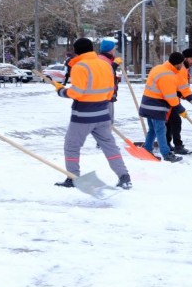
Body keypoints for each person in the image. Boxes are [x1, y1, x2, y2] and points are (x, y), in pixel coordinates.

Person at [52, 38, 132, 190]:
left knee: (71, 145)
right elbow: (111, 90)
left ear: (76, 51)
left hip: (83, 115)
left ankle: (72, 177)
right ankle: (124, 176)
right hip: (103, 113)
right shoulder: (105, 65)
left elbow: (77, 92)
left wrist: (61, 91)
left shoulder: (80, 66)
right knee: (110, 147)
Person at [138, 52, 188, 163]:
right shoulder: (167, 75)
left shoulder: (158, 68)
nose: (182, 66)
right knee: (161, 130)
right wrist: (181, 110)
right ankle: (166, 154)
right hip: (156, 107)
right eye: (182, 63)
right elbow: (171, 97)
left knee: (153, 130)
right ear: (178, 64)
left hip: (147, 104)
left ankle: (147, 148)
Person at [166, 48, 192, 155]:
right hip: (170, 98)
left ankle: (167, 143)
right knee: (175, 121)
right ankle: (177, 146)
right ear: (185, 58)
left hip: (172, 98)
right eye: (191, 58)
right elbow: (184, 89)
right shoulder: (181, 68)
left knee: (170, 122)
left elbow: (182, 88)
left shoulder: (184, 68)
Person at [98, 38, 120, 123]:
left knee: (108, 121)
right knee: (107, 122)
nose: (115, 50)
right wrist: (114, 65)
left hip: (109, 94)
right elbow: (104, 73)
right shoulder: (101, 59)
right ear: (109, 50)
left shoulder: (108, 59)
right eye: (114, 48)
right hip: (105, 96)